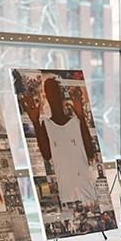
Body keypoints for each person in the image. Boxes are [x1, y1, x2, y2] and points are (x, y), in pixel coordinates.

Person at [23, 77, 99, 206]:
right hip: (66, 192)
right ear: (46, 97)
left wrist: (81, 116)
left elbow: (90, 152)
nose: (54, 97)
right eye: (49, 93)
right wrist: (35, 122)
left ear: (61, 95)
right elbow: (47, 155)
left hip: (86, 190)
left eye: (56, 92)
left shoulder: (76, 122)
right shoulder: (46, 125)